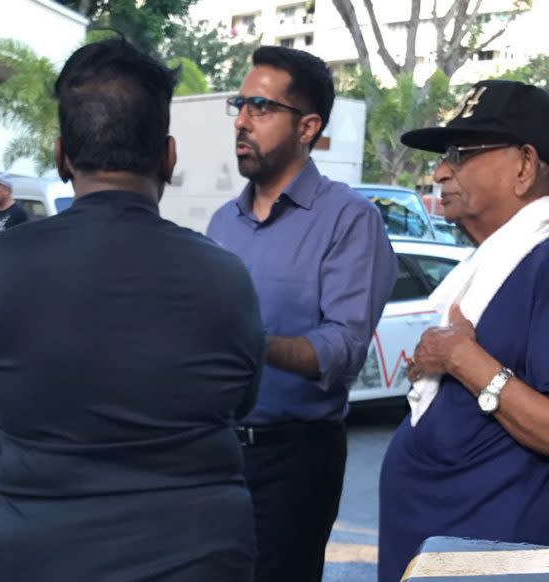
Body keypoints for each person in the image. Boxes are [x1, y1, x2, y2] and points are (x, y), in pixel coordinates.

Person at [0, 38, 266, 582]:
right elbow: (242, 403)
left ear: (61, 155)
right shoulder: (225, 276)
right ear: (168, 157)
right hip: (203, 551)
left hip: (43, 554)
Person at [207, 46, 397, 582]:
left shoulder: (349, 221)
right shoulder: (223, 222)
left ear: (308, 126)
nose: (242, 121)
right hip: (213, 450)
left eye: (261, 107)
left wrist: (252, 342)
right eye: (240, 104)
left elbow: (341, 349)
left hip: (293, 460)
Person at [378, 80, 549, 581]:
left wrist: (465, 362)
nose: (439, 172)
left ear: (523, 166)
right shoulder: (500, 262)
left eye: (460, 154)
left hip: (492, 564)